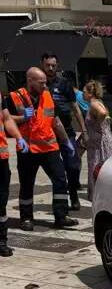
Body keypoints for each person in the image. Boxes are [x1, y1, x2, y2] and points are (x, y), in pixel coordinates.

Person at [7, 67, 77, 231]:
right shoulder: (15, 97)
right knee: (26, 184)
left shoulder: (47, 95)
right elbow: (6, 121)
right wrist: (23, 117)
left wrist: (66, 142)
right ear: (30, 81)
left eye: (46, 83)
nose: (45, 86)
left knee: (60, 180)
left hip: (49, 147)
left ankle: (61, 216)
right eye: (41, 83)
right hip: (28, 149)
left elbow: (55, 120)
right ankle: (26, 218)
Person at [41, 54, 87, 211]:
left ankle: (73, 193)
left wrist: (84, 130)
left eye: (53, 65)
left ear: (57, 65)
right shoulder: (38, 84)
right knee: (57, 171)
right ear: (42, 64)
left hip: (67, 132)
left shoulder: (64, 84)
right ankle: (61, 203)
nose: (51, 68)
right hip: (48, 134)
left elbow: (75, 108)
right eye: (48, 65)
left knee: (73, 165)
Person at [0, 106, 26, 256]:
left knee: (1, 202)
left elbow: (7, 119)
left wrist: (19, 137)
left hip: (1, 160)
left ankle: (2, 240)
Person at [82, 81, 112, 199]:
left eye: (84, 92)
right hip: (103, 139)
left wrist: (96, 126)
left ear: (90, 94)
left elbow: (103, 113)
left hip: (98, 142)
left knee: (96, 165)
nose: (82, 94)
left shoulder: (94, 104)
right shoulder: (99, 102)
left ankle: (97, 195)